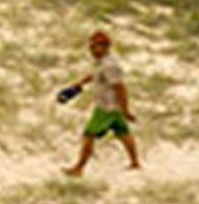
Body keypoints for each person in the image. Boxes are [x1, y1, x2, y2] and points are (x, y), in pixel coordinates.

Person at [58, 29, 141, 177]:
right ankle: (135, 163)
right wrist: (79, 84)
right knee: (123, 133)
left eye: (96, 46)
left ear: (105, 47)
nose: (92, 50)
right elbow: (94, 75)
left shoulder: (110, 66)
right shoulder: (102, 62)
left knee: (88, 135)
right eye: (91, 46)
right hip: (113, 108)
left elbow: (120, 88)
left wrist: (126, 110)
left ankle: (78, 168)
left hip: (106, 108)